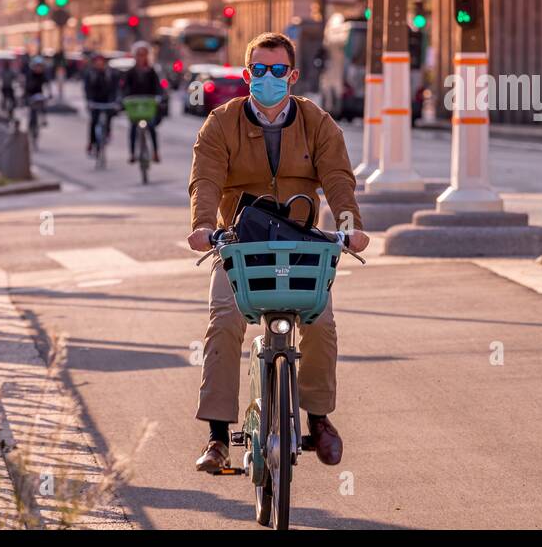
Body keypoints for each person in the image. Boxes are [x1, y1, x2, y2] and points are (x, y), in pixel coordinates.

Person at [186, 32, 370, 473]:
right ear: (248, 74)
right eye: (260, 70)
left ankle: (320, 419)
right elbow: (205, 180)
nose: (269, 78)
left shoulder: (317, 122)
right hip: (240, 247)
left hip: (302, 246)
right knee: (224, 322)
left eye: (278, 70)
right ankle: (216, 438)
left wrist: (351, 228)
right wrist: (202, 226)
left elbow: (340, 181)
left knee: (321, 323)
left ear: (292, 75)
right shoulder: (220, 123)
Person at [119, 42, 166, 163]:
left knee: (151, 126)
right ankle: (132, 153)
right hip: (135, 106)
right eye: (139, 54)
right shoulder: (130, 72)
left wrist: (159, 97)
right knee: (133, 127)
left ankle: (155, 152)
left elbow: (158, 87)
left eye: (144, 54)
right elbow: (124, 88)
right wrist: (124, 98)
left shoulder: (152, 71)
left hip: (148, 105)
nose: (141, 57)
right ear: (135, 56)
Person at [82, 54, 119, 155]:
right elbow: (87, 89)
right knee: (93, 121)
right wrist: (89, 101)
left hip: (108, 101)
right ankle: (91, 143)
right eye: (97, 63)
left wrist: (115, 101)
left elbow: (115, 89)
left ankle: (107, 134)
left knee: (109, 118)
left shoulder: (111, 74)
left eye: (101, 63)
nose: (99, 65)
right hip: (95, 101)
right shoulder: (90, 74)